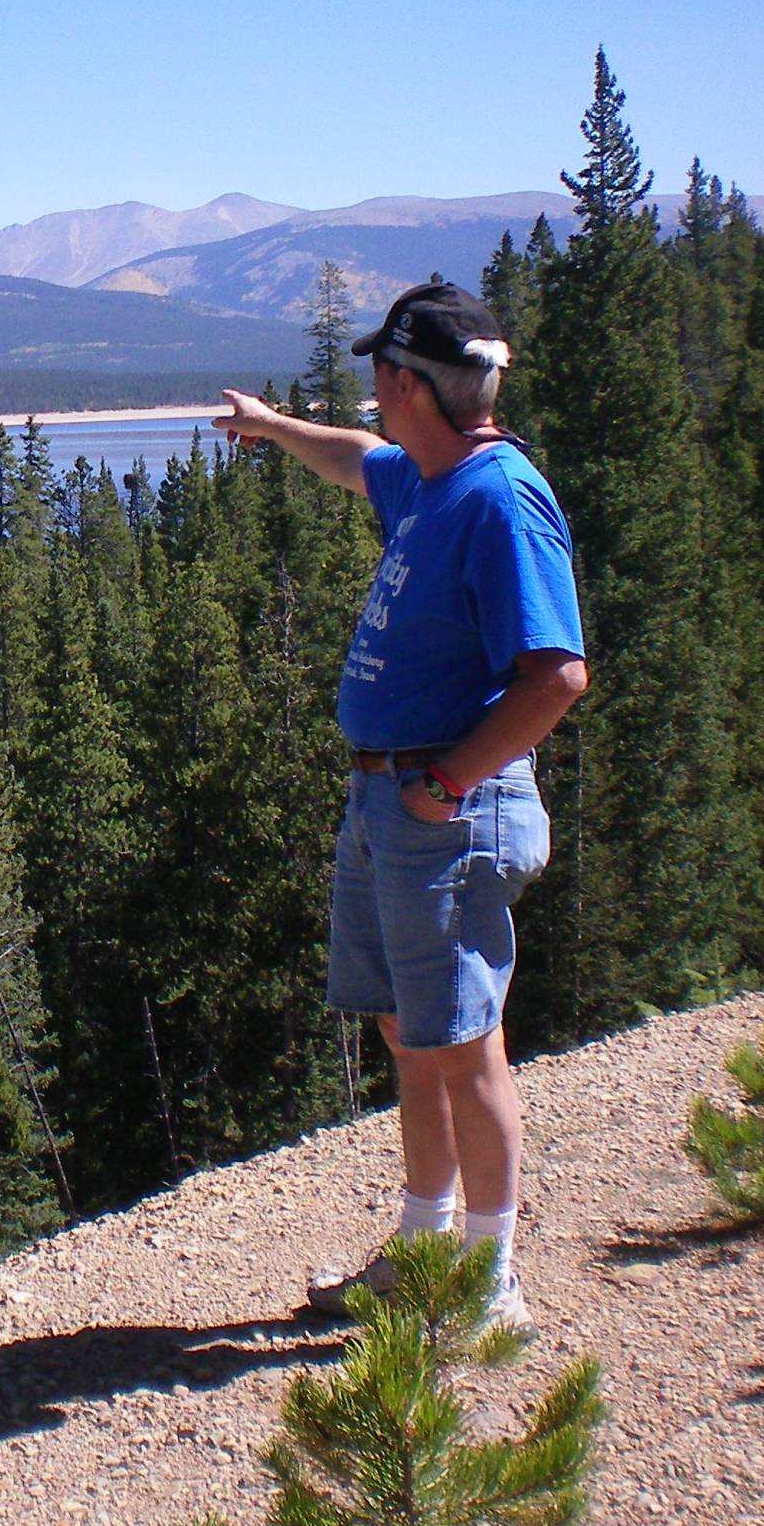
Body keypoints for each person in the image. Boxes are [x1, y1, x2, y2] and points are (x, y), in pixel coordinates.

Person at [214, 281, 586, 1334]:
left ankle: (486, 1283)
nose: (370, 390)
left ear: (405, 382)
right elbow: (349, 459)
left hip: (445, 809)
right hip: (390, 800)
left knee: (464, 1043)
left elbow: (554, 675)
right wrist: (274, 428)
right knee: (410, 1032)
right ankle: (425, 1247)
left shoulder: (497, 499)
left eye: (381, 372)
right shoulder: (427, 476)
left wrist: (447, 783)